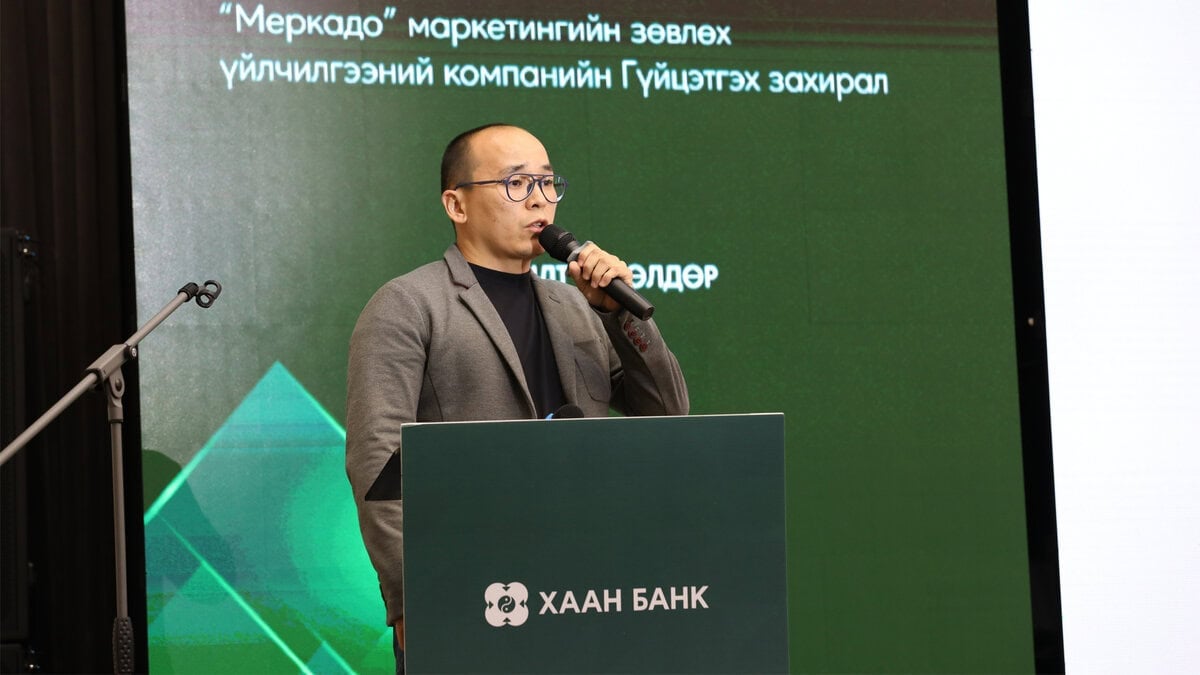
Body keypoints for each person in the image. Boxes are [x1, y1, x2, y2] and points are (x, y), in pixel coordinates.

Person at [344, 123, 689, 672]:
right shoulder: (409, 304)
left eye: (548, 182)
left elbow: (668, 417)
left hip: (584, 592)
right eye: (514, 183)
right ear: (456, 204)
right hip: (469, 592)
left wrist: (619, 313)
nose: (537, 199)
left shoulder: (577, 306)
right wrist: (413, 595)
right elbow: (376, 457)